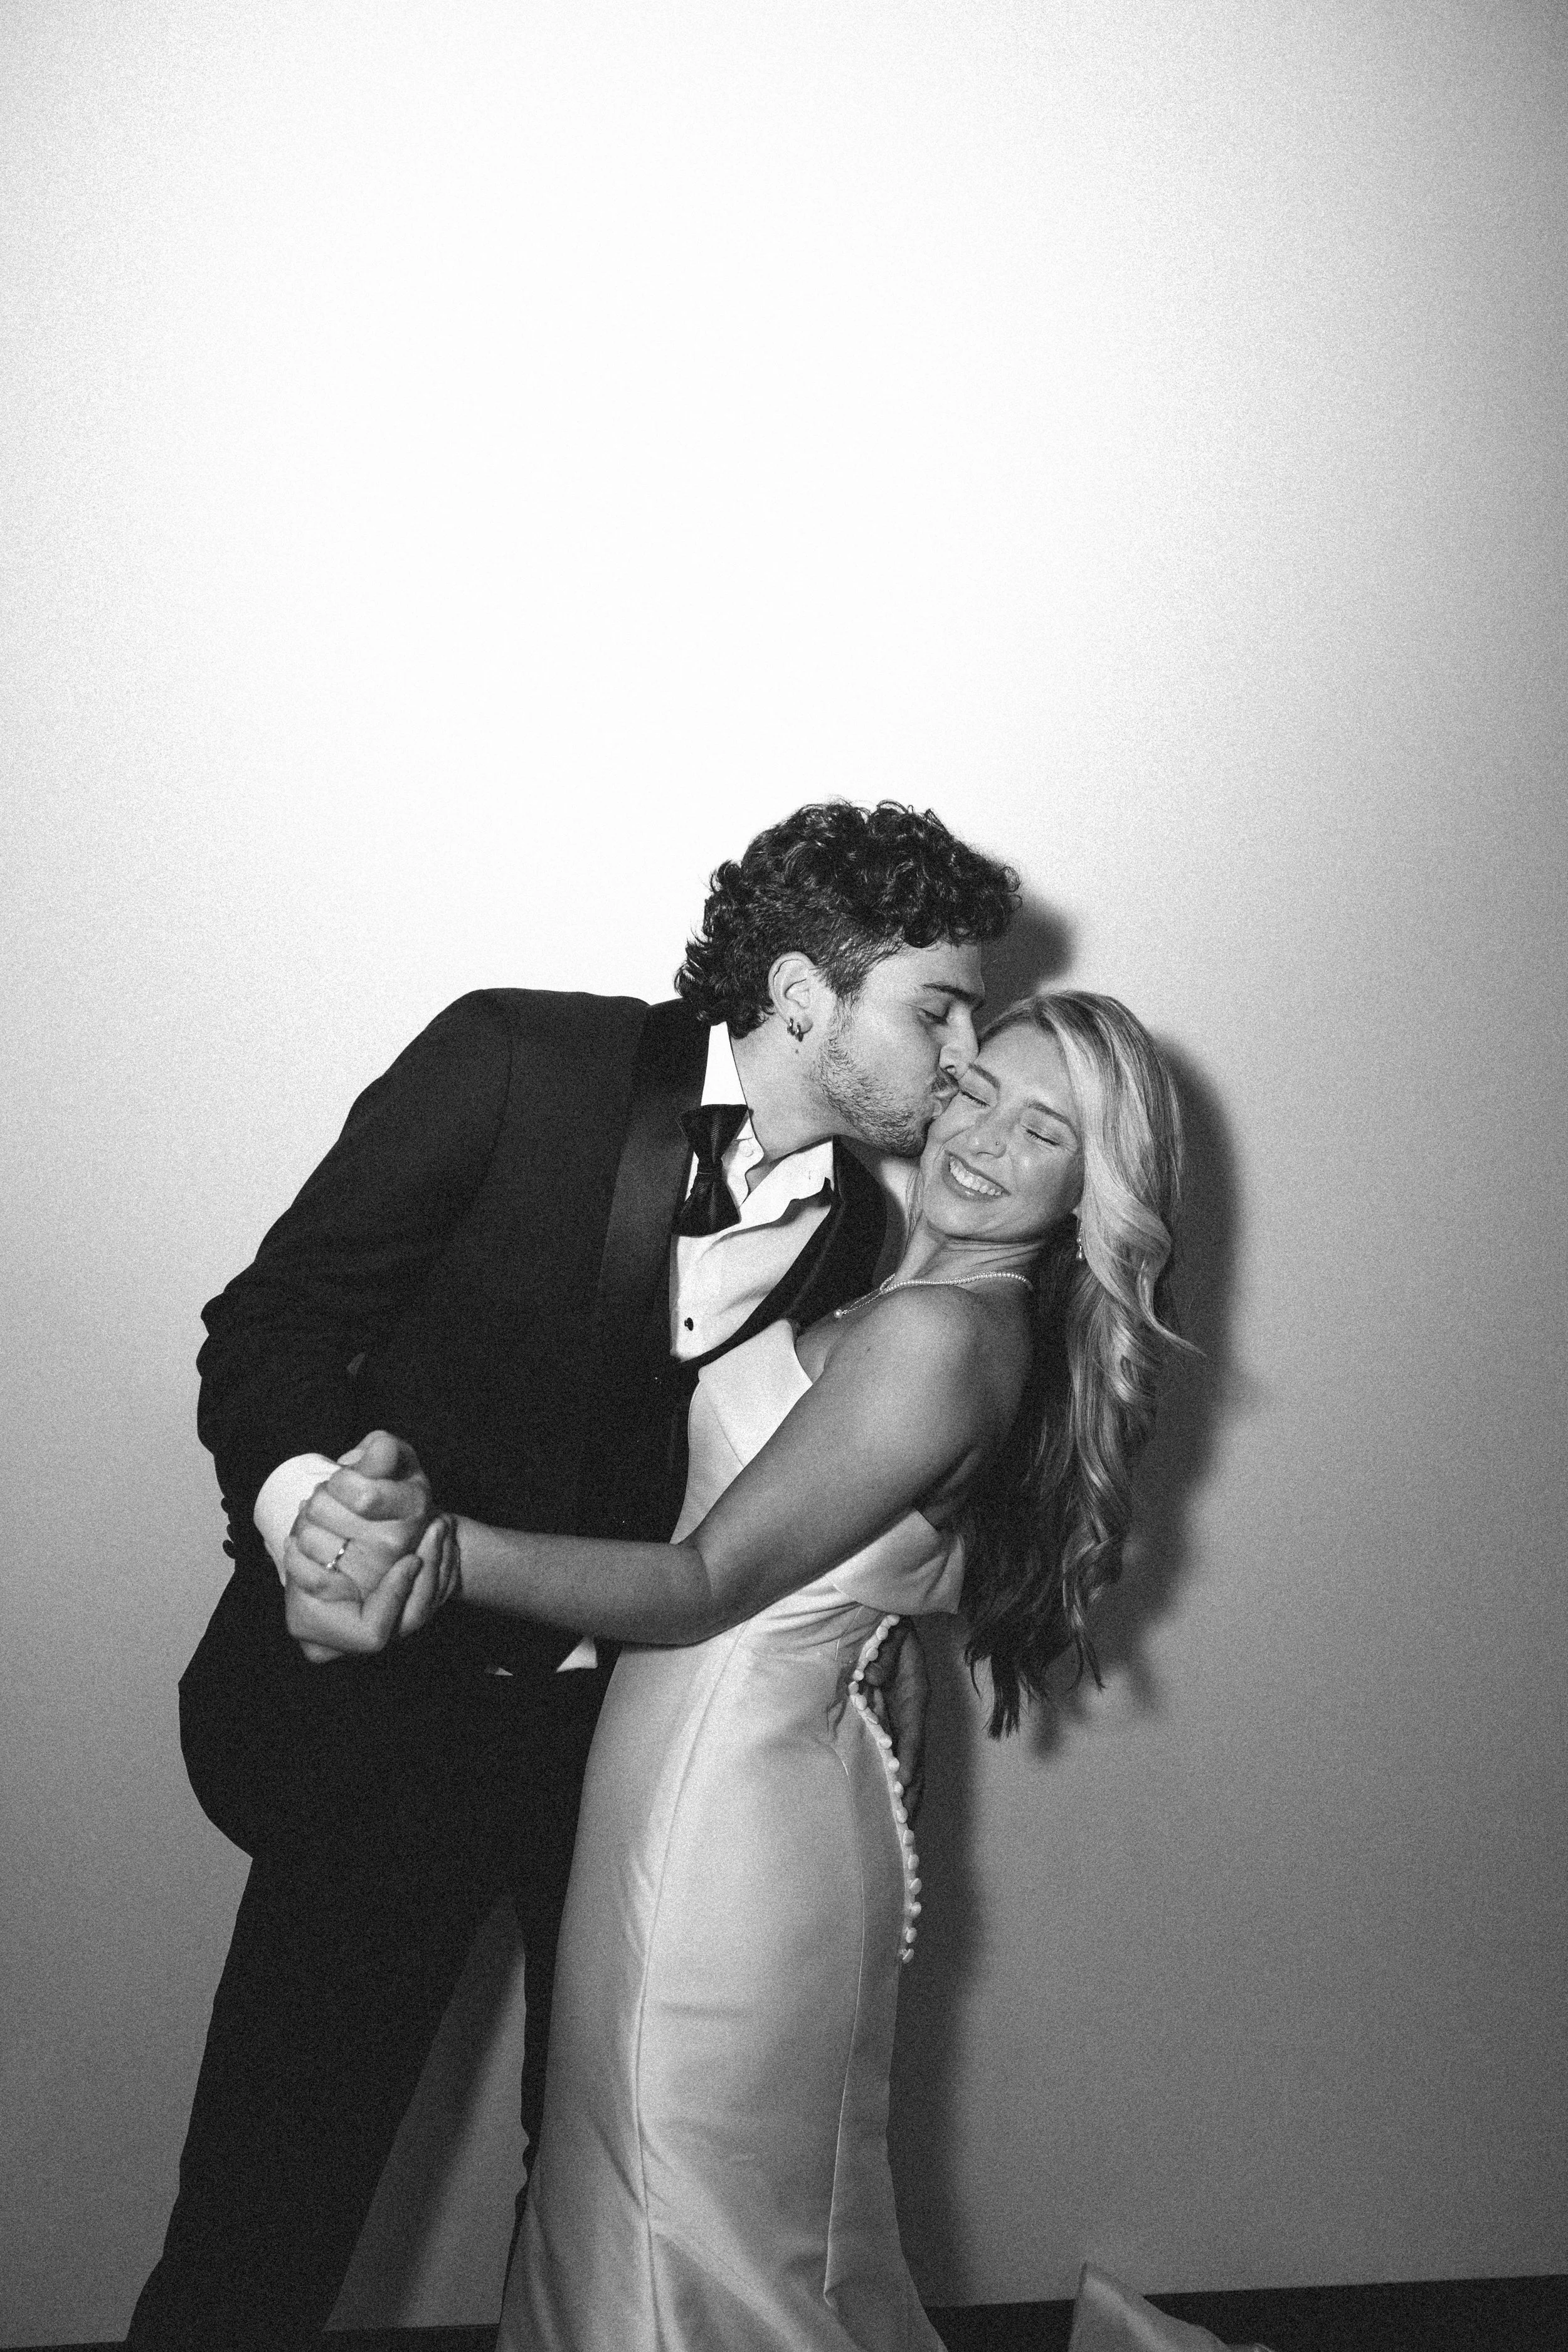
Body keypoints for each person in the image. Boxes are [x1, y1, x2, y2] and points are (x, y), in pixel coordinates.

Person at [125, 800, 1018, 2352]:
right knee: (264, 2217)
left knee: (602, 2194)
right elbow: (269, 1320)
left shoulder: (862, 1241)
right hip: (381, 1744)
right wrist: (306, 1516)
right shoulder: (515, 1061)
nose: (960, 1053)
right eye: (936, 1006)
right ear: (805, 994)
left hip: (621, 1773)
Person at [287, 989, 1187, 2351]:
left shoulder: (936, 1335)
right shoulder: (902, 1282)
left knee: (671, 2217)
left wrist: (445, 1553)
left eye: (1044, 1131)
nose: (984, 1137)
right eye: (974, 1088)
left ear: (1088, 1195)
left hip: (723, 1825)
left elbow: (706, 1581)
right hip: (712, 1771)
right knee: (669, 2204)